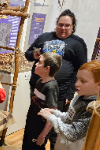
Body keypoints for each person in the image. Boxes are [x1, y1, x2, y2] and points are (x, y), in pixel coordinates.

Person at [25, 9, 87, 150]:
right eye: (60, 24)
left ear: (72, 27)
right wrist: (34, 55)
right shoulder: (44, 37)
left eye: (67, 25)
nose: (63, 28)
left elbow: (80, 69)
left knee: (53, 128)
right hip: (38, 89)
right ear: (56, 24)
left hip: (60, 92)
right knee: (35, 120)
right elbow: (28, 54)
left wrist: (70, 92)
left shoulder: (78, 44)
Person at [38, 60, 100, 150]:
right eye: (77, 79)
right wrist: (56, 113)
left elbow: (73, 133)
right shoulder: (80, 97)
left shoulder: (94, 109)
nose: (76, 84)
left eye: (83, 81)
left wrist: (51, 118)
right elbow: (69, 118)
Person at [22, 52, 62, 150]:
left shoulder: (51, 87)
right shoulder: (39, 81)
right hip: (31, 125)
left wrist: (43, 135)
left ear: (47, 68)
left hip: (38, 129)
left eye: (39, 62)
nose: (36, 64)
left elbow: (52, 114)